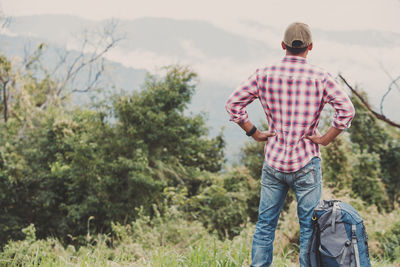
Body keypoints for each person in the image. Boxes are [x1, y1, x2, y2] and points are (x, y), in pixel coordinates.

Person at [225, 22, 355, 267]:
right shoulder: (321, 77)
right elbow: (347, 111)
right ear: (311, 47)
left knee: (265, 225)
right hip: (306, 162)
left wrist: (254, 132)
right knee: (309, 227)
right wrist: (325, 139)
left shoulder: (264, 73)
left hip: (274, 162)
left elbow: (233, 104)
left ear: (283, 46)